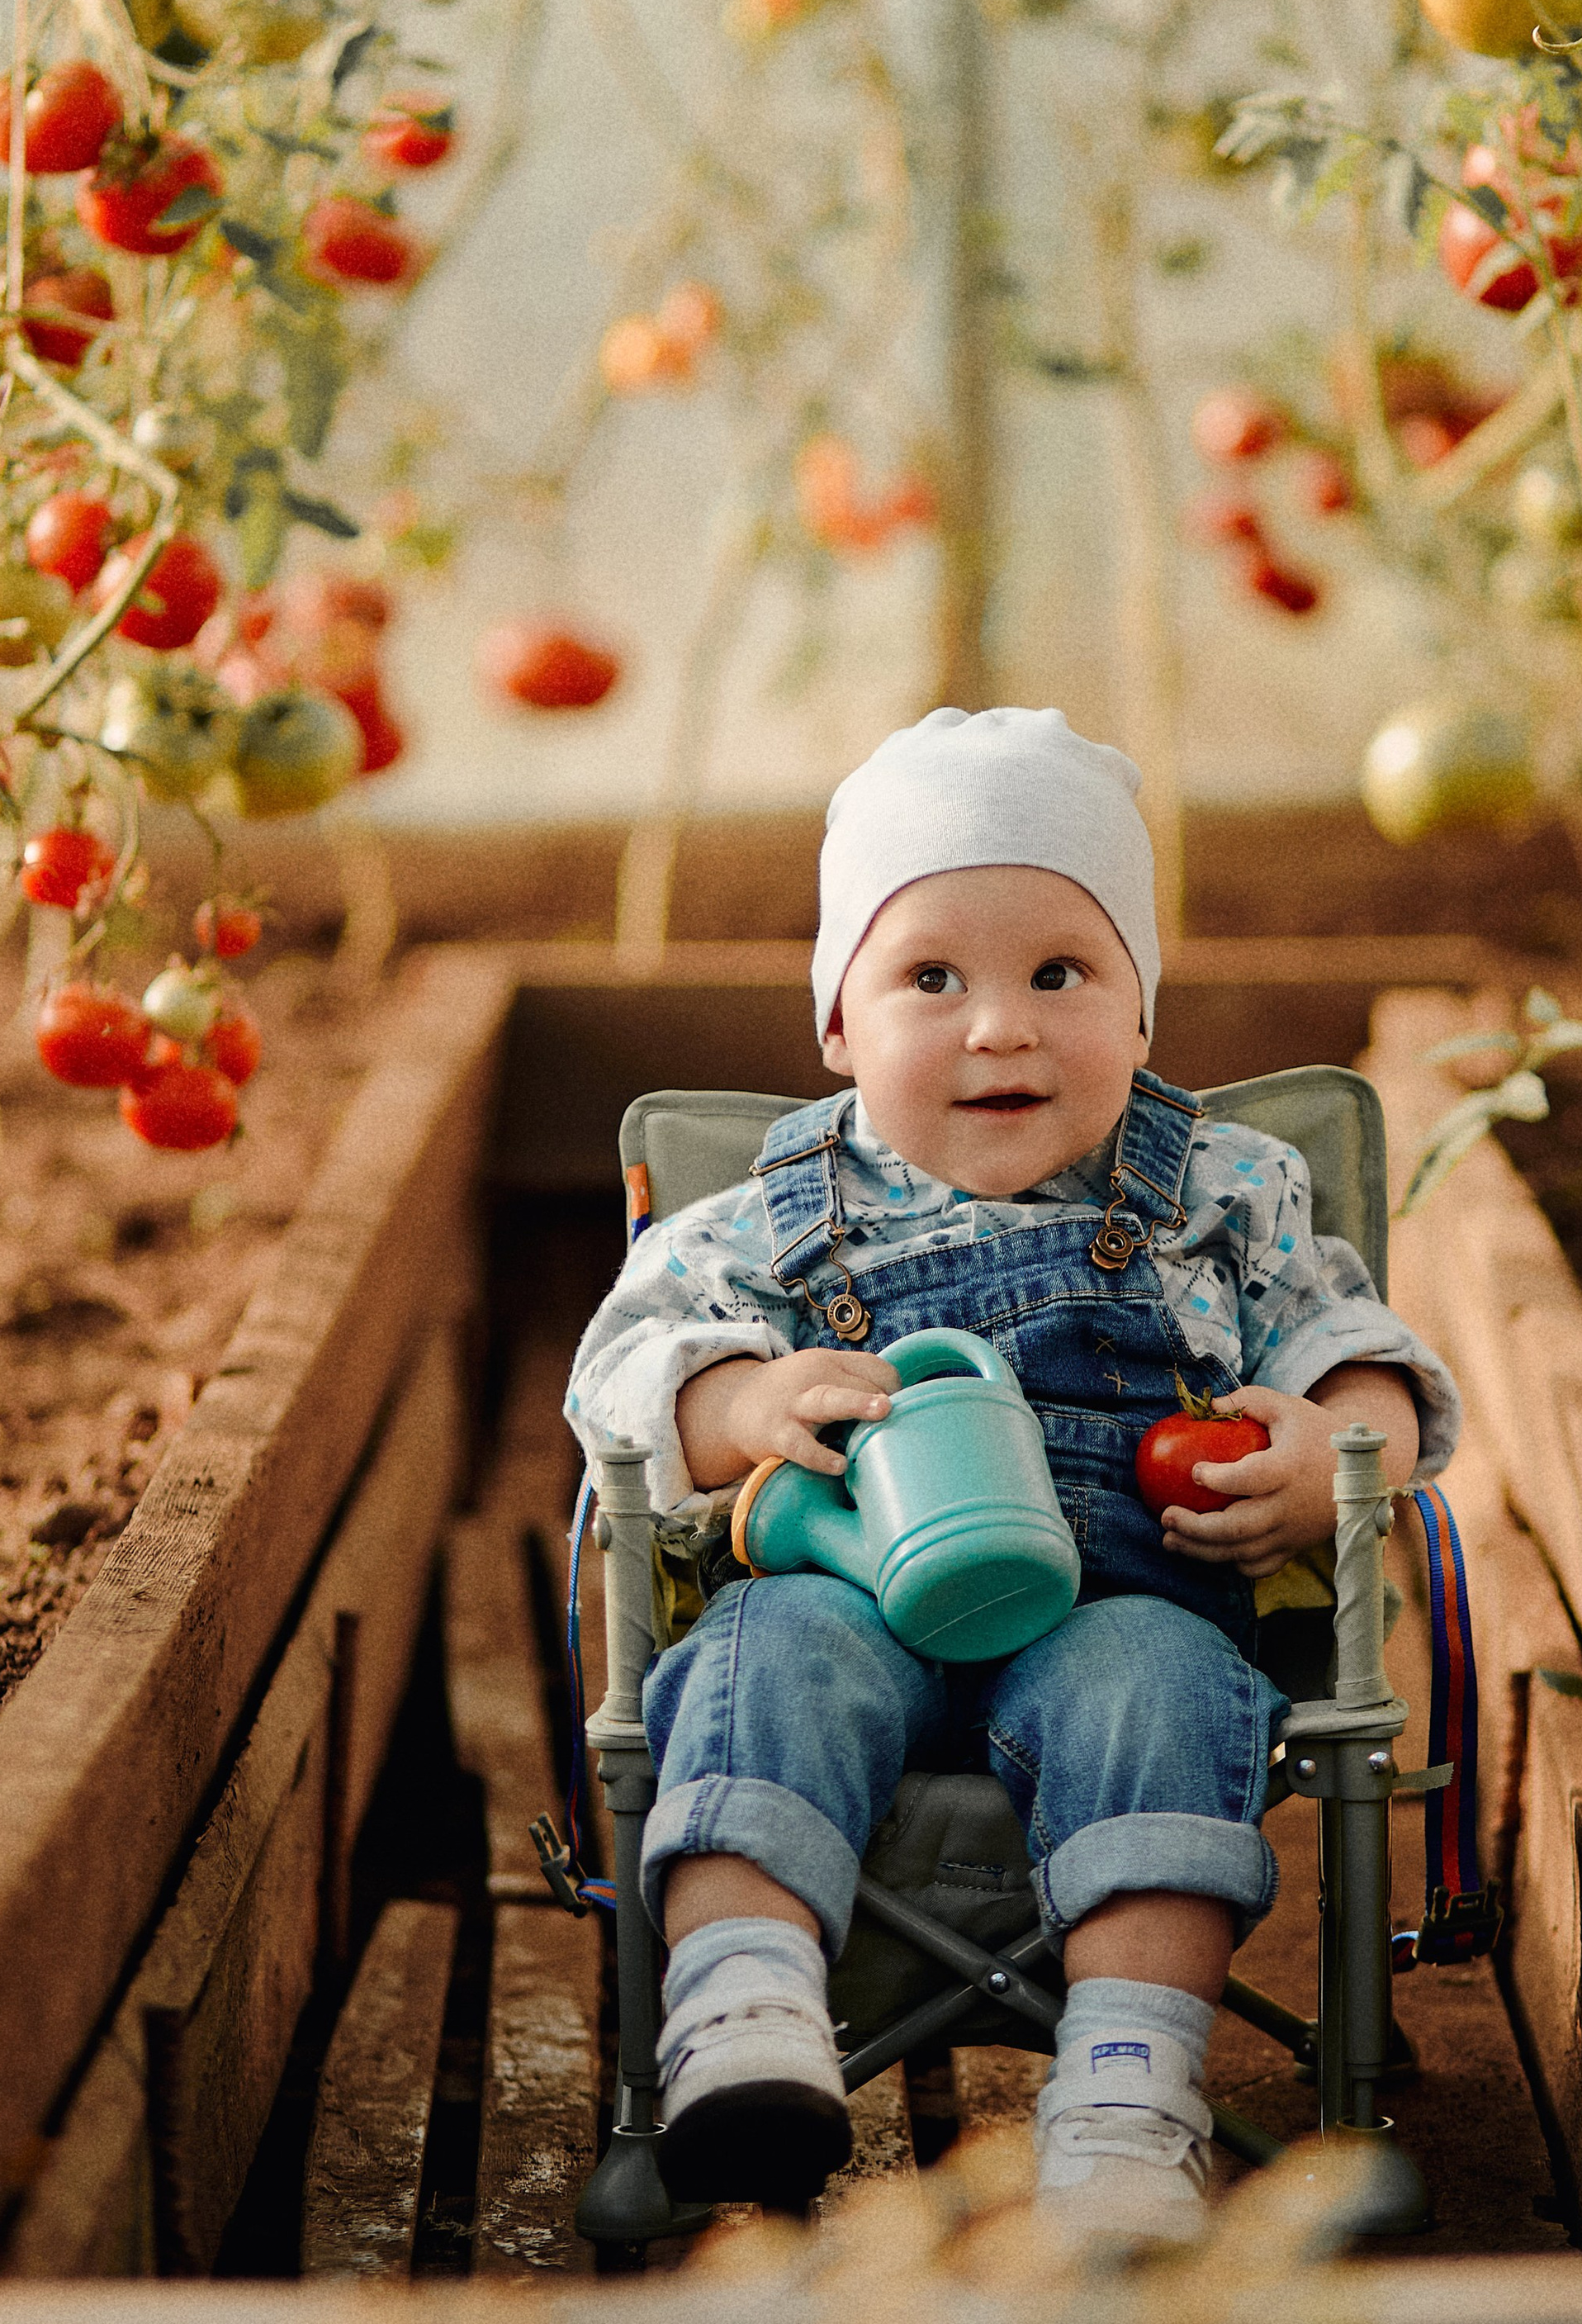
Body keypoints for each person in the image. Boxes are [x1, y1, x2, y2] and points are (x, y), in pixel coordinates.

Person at [566, 706, 1459, 2233]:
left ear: (1142, 1013)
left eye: (1063, 971)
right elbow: (619, 1376)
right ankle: (743, 2016)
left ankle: (1129, 2082)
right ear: (839, 1023)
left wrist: (1328, 1448)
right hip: (849, 1594)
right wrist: (741, 1400)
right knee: (752, 1658)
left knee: (1167, 1695)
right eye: (931, 976)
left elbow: (1346, 1340)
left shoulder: (1225, 1190)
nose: (1001, 1026)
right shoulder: (767, 1212)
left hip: (1130, 1604)